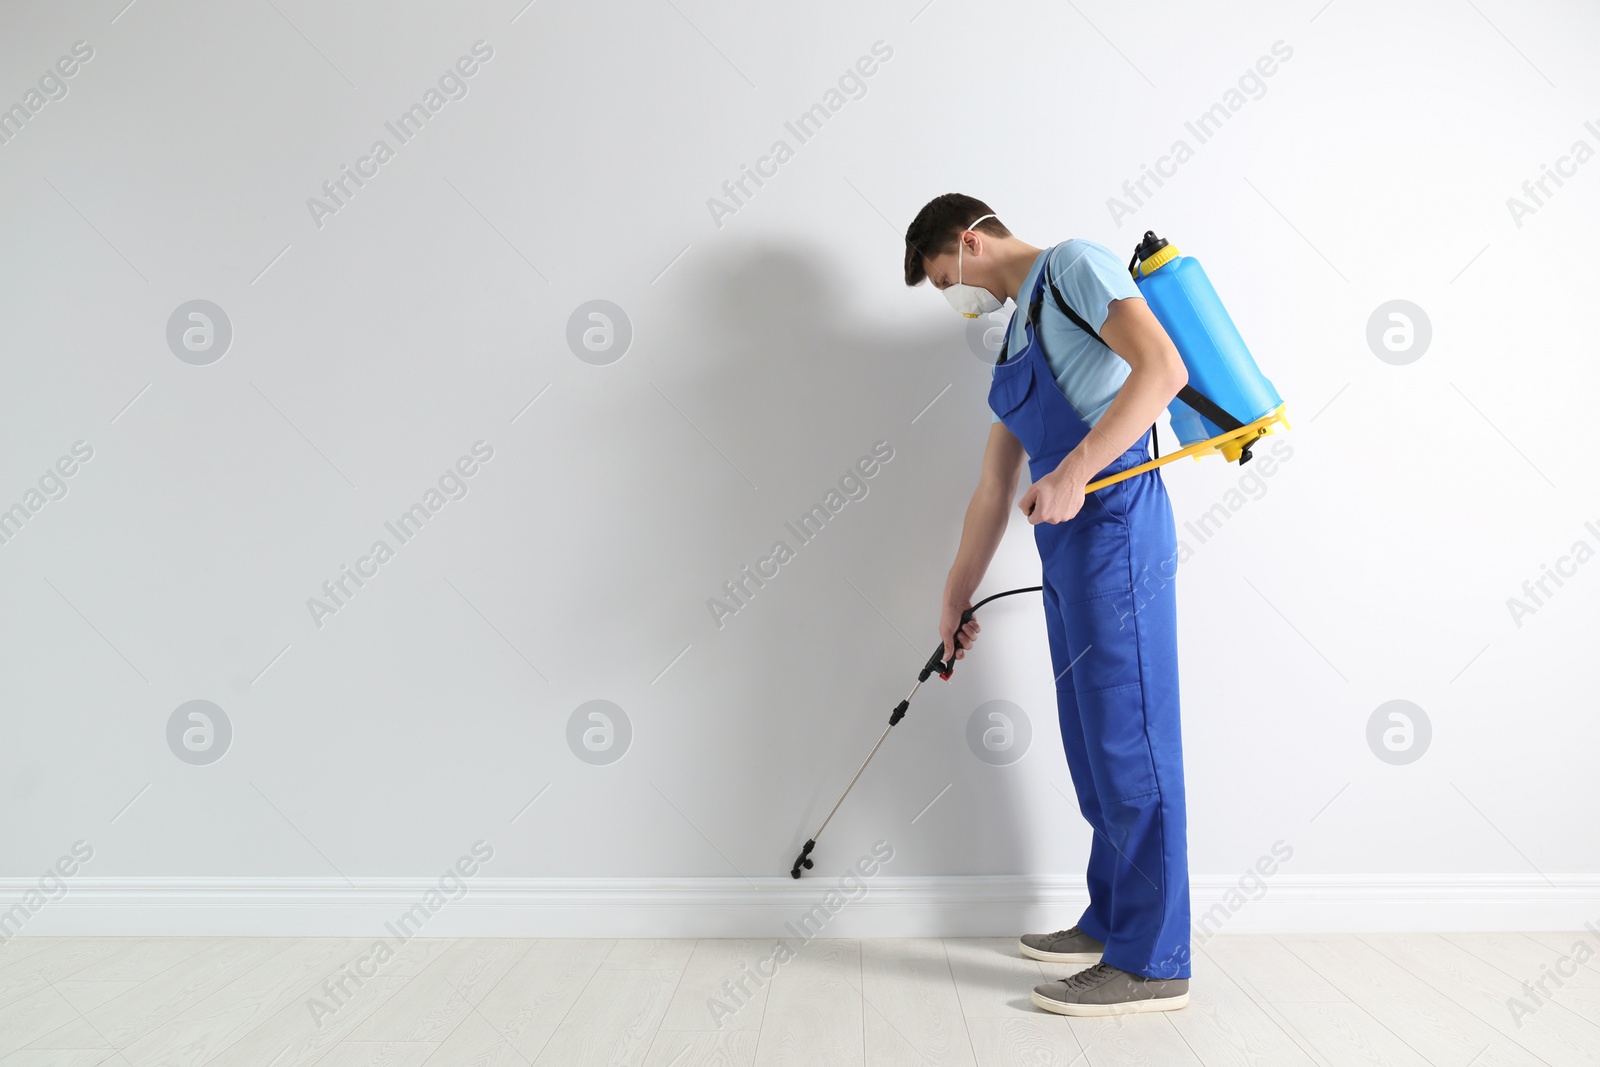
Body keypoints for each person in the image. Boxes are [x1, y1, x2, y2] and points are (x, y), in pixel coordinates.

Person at [904, 193, 1192, 1016]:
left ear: (969, 239)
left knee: (1130, 738)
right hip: (1066, 546)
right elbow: (995, 487)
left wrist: (1075, 471)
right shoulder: (1014, 333)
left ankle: (1153, 960)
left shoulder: (1074, 265)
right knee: (1092, 743)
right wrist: (955, 598)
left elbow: (1162, 369)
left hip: (1115, 526)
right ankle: (1111, 920)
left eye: (944, 277)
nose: (955, 295)